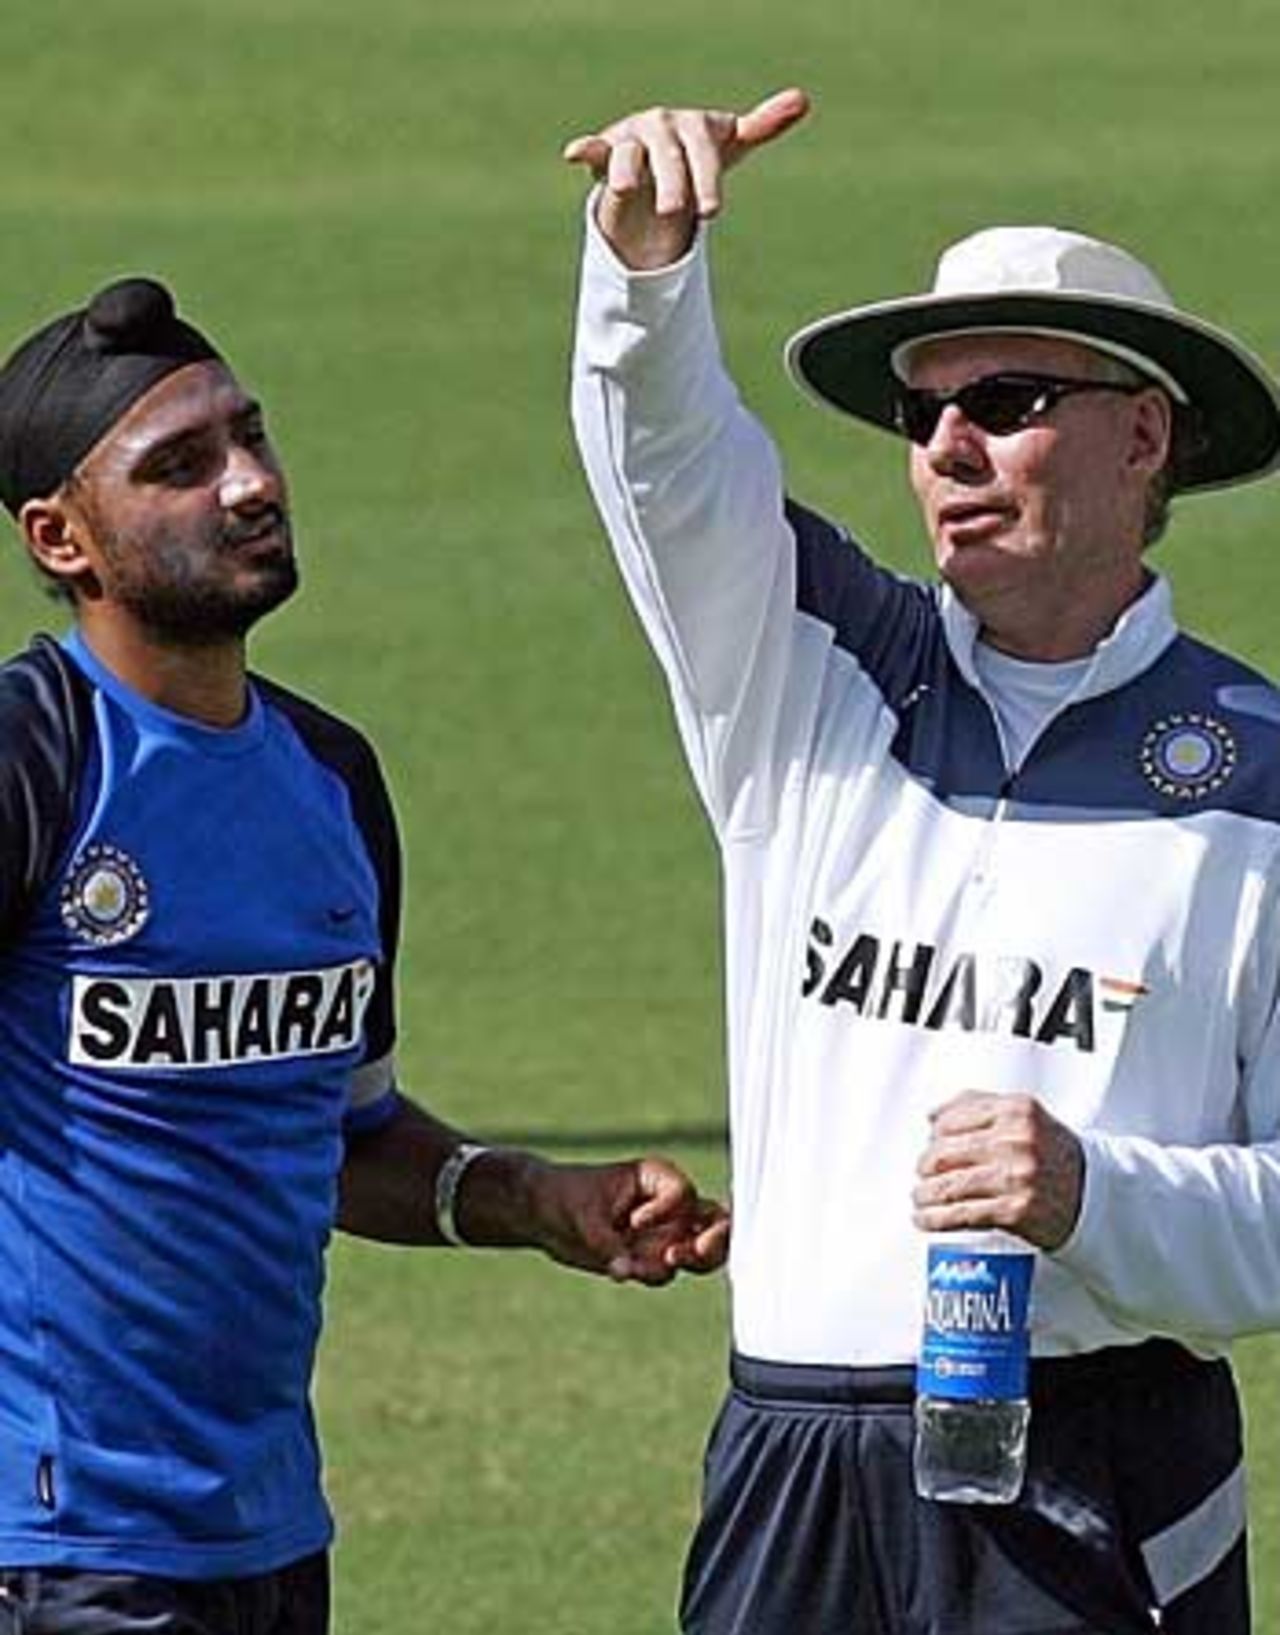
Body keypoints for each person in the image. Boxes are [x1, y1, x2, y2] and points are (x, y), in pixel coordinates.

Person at [564, 87, 1280, 1634]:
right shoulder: (811, 669)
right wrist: (640, 271)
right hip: (796, 1459)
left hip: (1103, 1461)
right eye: (923, 413)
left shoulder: (1264, 779)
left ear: (1143, 432)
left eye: (1010, 398)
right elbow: (671, 474)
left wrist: (1096, 1194)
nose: (950, 444)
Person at [0, 274, 729, 1635]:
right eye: (182, 464)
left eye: (250, 435)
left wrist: (530, 1200)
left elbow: (342, 1137)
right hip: (51, 1547)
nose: (249, 482)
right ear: (63, 538)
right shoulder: (34, 760)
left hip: (268, 1537)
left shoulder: (330, 778)